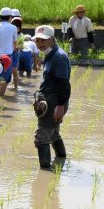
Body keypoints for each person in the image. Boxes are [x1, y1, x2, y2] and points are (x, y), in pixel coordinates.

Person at [32, 25, 71, 169]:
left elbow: (64, 84)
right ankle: (61, 160)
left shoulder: (58, 57)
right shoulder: (51, 55)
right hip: (51, 99)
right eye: (37, 41)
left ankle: (45, 171)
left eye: (43, 40)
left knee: (41, 136)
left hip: (54, 102)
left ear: (52, 40)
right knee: (53, 133)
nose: (40, 44)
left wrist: (60, 106)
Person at [0, 7, 18, 95]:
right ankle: (0, 100)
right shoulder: (13, 28)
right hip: (7, 57)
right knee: (5, 80)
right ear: (10, 17)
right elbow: (15, 43)